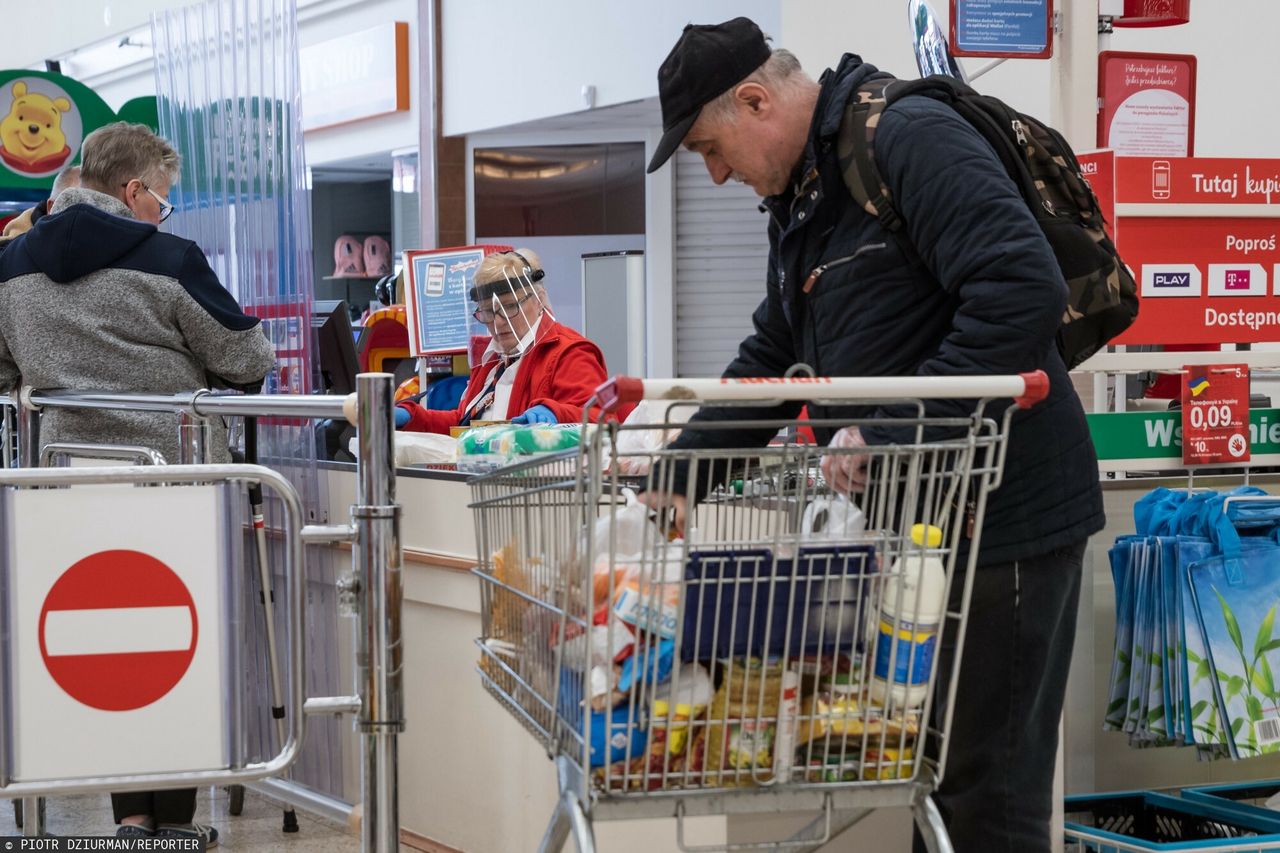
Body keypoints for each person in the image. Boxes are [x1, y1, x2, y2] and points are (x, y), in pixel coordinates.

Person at [642, 18, 1104, 853]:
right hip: (926, 527)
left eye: (712, 149)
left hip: (1007, 520)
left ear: (755, 100)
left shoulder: (907, 136)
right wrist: (679, 471)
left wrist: (885, 432)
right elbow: (778, 355)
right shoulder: (804, 197)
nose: (713, 175)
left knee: (989, 792)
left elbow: (1018, 288)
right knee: (931, 776)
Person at [0, 122, 275, 846]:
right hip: (167, 489)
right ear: (133, 189)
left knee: (106, 650)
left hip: (62, 497)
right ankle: (175, 824)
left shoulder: (11, 265)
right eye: (165, 198)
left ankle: (129, 817)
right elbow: (246, 357)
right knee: (173, 646)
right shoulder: (169, 257)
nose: (165, 211)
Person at [395, 249, 610, 432]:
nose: (498, 322)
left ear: (538, 300)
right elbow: (465, 426)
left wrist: (557, 413)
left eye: (510, 306)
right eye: (488, 311)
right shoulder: (492, 358)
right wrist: (410, 416)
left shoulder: (569, 352)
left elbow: (600, 419)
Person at [0, 164, 80, 245]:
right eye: (75, 205)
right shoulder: (12, 251)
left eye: (93, 206)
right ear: (51, 207)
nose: (86, 214)